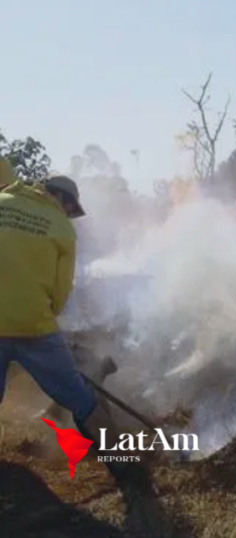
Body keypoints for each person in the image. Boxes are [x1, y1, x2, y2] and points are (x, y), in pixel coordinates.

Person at [0, 172, 153, 494]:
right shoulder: (61, 227)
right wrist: (41, 317)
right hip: (33, 328)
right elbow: (59, 293)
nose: (70, 215)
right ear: (64, 201)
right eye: (71, 209)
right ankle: (124, 468)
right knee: (82, 400)